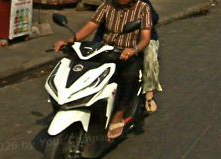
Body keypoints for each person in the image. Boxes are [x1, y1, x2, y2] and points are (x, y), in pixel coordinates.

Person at [55, 0, 153, 141]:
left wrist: (134, 49)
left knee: (129, 76)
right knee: (83, 68)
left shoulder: (143, 8)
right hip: (105, 50)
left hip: (128, 53)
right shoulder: (107, 4)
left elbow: (145, 38)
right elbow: (91, 25)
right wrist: (70, 41)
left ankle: (119, 113)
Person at [94, 0, 162, 113]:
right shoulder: (108, 5)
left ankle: (149, 93)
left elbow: (154, 18)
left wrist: (141, 21)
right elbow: (97, 26)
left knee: (150, 58)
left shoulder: (143, 5)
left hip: (142, 38)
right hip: (116, 38)